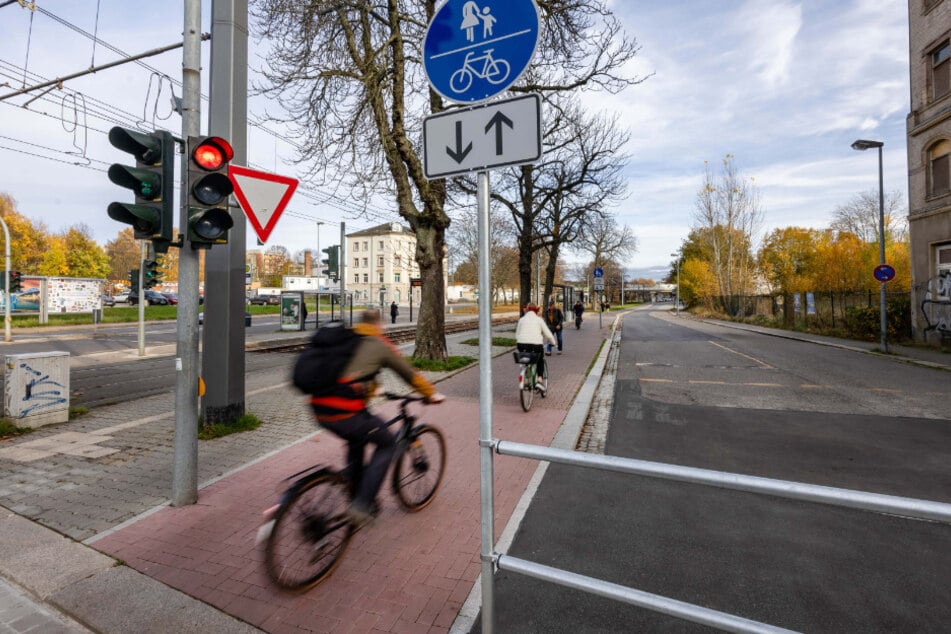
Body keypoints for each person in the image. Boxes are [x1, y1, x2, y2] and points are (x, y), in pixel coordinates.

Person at [309, 309, 445, 527]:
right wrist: (431, 394)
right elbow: (409, 374)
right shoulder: (379, 343)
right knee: (388, 444)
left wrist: (375, 388)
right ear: (379, 324)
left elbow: (352, 372)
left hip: (318, 409)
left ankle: (354, 485)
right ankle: (360, 506)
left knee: (358, 440)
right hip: (345, 412)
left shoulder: (347, 339)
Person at [515, 304, 557, 392]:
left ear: (527, 310)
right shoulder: (539, 320)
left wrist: (519, 342)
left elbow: (517, 334)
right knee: (539, 360)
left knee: (525, 359)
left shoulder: (521, 320)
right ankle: (539, 380)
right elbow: (548, 334)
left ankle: (526, 377)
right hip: (536, 345)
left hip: (521, 344)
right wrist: (553, 343)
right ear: (536, 311)